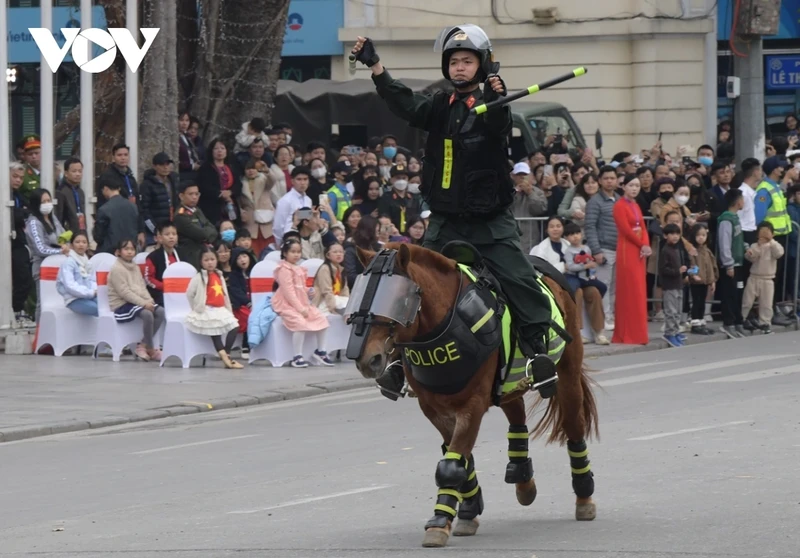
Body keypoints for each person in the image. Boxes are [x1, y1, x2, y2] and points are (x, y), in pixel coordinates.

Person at [352, 25, 560, 398]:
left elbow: (499, 125)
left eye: (467, 61)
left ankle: (538, 356)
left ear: (482, 66)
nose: (459, 67)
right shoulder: (437, 106)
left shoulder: (494, 105)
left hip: (490, 224)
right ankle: (398, 361)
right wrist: (377, 67)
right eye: (454, 61)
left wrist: (497, 96)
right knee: (407, 281)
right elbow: (405, 104)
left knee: (521, 281)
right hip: (445, 223)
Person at [271, 238, 334, 368]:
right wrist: (300, 309)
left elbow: (299, 287)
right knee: (299, 323)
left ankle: (320, 351)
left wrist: (308, 291)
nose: (296, 255)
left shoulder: (299, 268)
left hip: (301, 302)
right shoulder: (284, 269)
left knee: (321, 319)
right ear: (285, 253)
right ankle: (297, 356)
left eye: (298, 252)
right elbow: (288, 292)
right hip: (286, 304)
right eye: (293, 252)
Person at [184, 245, 243, 369]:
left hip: (220, 308)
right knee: (215, 332)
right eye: (206, 260)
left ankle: (226, 353)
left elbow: (224, 293)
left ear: (216, 260)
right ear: (201, 262)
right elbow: (190, 293)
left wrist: (228, 308)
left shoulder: (219, 275)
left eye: (212, 259)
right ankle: (227, 359)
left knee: (234, 327)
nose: (210, 263)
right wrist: (197, 307)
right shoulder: (199, 277)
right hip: (207, 309)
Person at [107, 239, 165, 361]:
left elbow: (142, 287)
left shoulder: (135, 267)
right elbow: (124, 292)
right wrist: (144, 304)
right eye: (126, 249)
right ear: (118, 252)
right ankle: (150, 348)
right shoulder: (117, 269)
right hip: (122, 304)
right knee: (147, 314)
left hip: (136, 302)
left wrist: (150, 301)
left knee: (160, 312)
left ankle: (142, 345)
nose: (129, 252)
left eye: (132, 249)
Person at [612, 174, 651, 345]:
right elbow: (626, 230)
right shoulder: (619, 206)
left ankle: (639, 333)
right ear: (624, 187)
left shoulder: (635, 204)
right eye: (631, 185)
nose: (634, 188)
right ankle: (627, 333)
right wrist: (641, 244)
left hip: (638, 250)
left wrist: (646, 244)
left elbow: (642, 226)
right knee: (630, 291)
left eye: (637, 185)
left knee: (639, 292)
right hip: (627, 250)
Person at [754, 156, 793, 324]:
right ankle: (770, 312)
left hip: (780, 237)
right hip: (771, 239)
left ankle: (775, 308)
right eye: (780, 167)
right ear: (773, 169)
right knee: (771, 278)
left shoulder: (774, 187)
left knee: (777, 277)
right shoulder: (764, 190)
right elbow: (759, 217)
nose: (783, 169)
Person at [25, 188, 70, 322]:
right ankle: (40, 334)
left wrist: (66, 244)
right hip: (42, 268)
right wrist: (60, 251)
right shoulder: (33, 222)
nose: (47, 204)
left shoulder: (52, 218)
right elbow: (40, 249)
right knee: (43, 302)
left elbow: (62, 235)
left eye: (48, 200)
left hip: (59, 266)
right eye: (43, 201)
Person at [585, 165, 620, 330]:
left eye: (612, 178)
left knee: (615, 286)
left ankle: (611, 315)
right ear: (600, 181)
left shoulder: (620, 199)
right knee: (604, 285)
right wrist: (596, 251)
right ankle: (604, 318)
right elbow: (590, 227)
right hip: (604, 249)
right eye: (606, 178)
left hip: (620, 249)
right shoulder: (595, 201)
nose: (609, 181)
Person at [563, 222, 609, 345]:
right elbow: (571, 267)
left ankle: (599, 331)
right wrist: (586, 266)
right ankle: (578, 331)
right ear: (567, 238)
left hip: (586, 277)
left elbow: (590, 261)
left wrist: (591, 270)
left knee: (597, 290)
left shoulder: (586, 248)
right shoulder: (568, 251)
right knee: (574, 293)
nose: (575, 237)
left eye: (577, 233)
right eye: (571, 235)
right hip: (574, 277)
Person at [742, 222, 784, 333]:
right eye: (762, 231)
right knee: (747, 301)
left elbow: (779, 253)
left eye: (767, 232)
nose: (764, 234)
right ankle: (741, 318)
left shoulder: (774, 245)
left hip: (768, 279)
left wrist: (771, 241)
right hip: (754, 277)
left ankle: (765, 323)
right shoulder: (755, 246)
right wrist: (758, 248)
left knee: (766, 303)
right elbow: (750, 257)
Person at [717, 188, 747, 339]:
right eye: (742, 199)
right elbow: (725, 243)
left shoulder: (736, 218)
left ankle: (738, 321)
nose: (744, 202)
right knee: (729, 294)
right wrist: (728, 263)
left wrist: (746, 248)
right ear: (737, 202)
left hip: (739, 263)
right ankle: (728, 322)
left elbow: (737, 240)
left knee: (738, 293)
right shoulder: (726, 219)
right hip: (731, 265)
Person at [174, 182, 220, 269]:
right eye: (190, 194)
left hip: (203, 252)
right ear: (181, 196)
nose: (194, 197)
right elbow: (201, 234)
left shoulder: (197, 210)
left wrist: (207, 235)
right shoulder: (180, 215)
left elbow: (213, 230)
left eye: (197, 194)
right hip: (191, 254)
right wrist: (207, 234)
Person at [56, 231, 98, 316]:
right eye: (77, 242)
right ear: (71, 245)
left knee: (108, 307)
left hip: (89, 296)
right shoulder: (69, 262)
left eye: (84, 242)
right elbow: (70, 286)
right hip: (74, 299)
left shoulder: (88, 262)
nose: (81, 245)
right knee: (99, 310)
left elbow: (93, 281)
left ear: (87, 246)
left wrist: (94, 291)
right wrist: (90, 293)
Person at [659, 223, 687, 347]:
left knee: (678, 311)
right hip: (669, 285)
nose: (675, 236)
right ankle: (669, 333)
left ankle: (676, 331)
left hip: (678, 284)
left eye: (677, 234)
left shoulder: (677, 248)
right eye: (672, 234)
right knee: (671, 310)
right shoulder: (665, 250)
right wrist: (677, 271)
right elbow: (663, 269)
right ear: (665, 236)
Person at [687, 224, 718, 335]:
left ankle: (701, 322)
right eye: (698, 235)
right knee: (696, 301)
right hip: (696, 281)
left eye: (703, 235)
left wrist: (712, 280)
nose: (701, 237)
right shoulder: (693, 250)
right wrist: (693, 275)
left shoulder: (707, 251)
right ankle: (695, 323)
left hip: (705, 281)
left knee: (702, 302)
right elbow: (691, 264)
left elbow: (711, 266)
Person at [144, 222, 182, 306]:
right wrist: (165, 286)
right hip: (160, 292)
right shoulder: (153, 257)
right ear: (160, 238)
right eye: (167, 234)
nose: (171, 237)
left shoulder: (182, 254)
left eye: (174, 234)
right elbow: (148, 278)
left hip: (180, 289)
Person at [229, 247, 256, 358]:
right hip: (241, 304)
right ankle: (246, 345)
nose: (242, 260)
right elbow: (237, 292)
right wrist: (248, 302)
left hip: (256, 301)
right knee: (249, 317)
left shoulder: (255, 272)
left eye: (244, 256)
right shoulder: (233, 275)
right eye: (239, 258)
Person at [312, 242, 350, 314]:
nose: (338, 254)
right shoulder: (325, 269)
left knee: (349, 303)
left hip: (336, 299)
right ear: (328, 255)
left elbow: (345, 289)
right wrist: (332, 308)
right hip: (324, 301)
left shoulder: (341, 269)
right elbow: (326, 291)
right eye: (335, 252)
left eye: (341, 252)